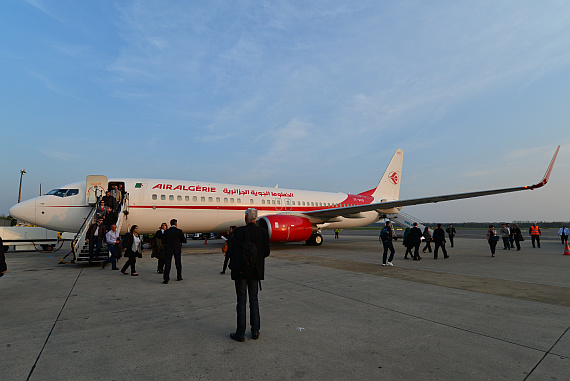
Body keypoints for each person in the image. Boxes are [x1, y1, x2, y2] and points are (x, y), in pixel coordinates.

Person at [228, 208, 270, 342]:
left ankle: (240, 333)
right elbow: (267, 252)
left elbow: (232, 252)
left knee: (241, 301)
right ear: (255, 219)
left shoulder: (239, 232)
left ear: (246, 218)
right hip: (256, 271)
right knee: (254, 300)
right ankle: (255, 331)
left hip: (241, 272)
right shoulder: (263, 232)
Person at [162, 219, 187, 284]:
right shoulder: (179, 231)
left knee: (167, 264)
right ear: (176, 224)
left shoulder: (166, 232)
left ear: (170, 224)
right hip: (177, 249)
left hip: (168, 249)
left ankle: (166, 279)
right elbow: (184, 240)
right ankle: (179, 276)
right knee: (178, 263)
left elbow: (163, 241)